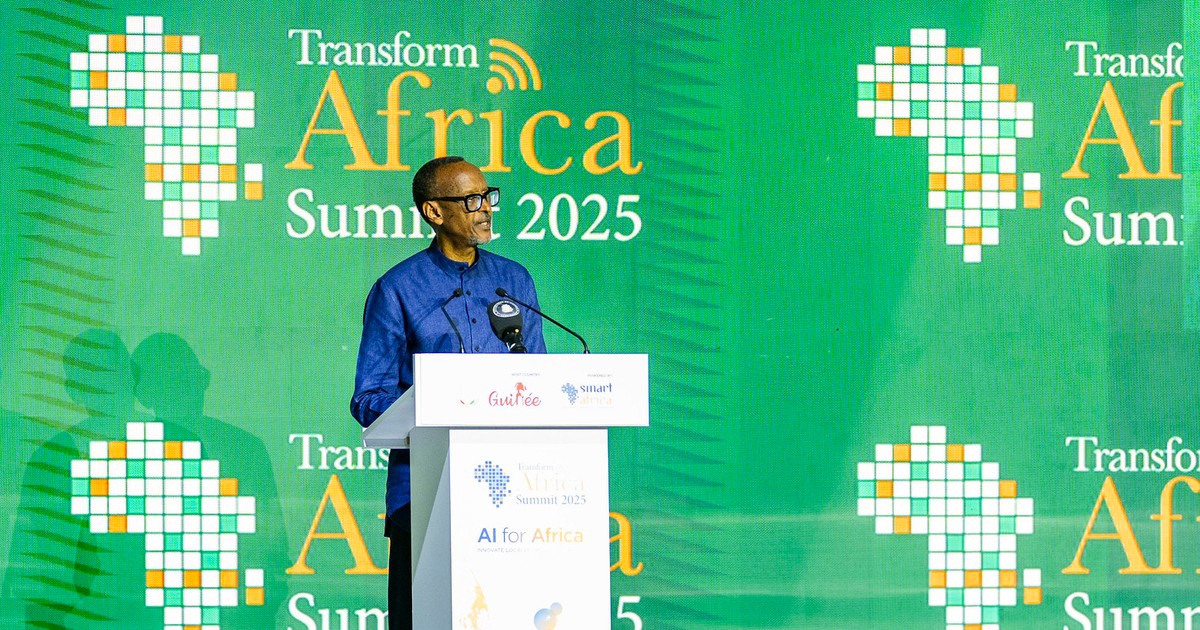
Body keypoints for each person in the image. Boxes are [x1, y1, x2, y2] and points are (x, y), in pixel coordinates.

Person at [350, 156, 546, 629]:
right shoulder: (398, 288)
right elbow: (368, 396)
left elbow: (539, 380)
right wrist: (438, 407)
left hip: (511, 493)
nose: (486, 209)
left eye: (488, 196)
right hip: (425, 493)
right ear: (434, 212)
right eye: (471, 200)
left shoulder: (514, 281)